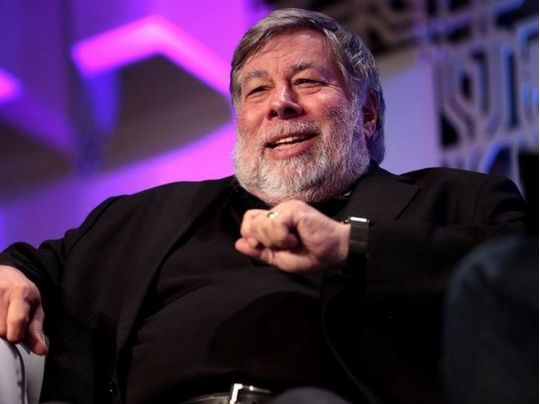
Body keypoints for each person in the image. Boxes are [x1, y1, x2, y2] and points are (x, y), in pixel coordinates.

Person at [0, 8, 526, 404]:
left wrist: (352, 244)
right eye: (257, 91)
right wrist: (13, 273)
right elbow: (43, 262)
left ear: (366, 113)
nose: (280, 103)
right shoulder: (152, 216)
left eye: (307, 81)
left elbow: (520, 273)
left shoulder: (455, 199)